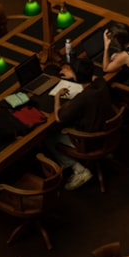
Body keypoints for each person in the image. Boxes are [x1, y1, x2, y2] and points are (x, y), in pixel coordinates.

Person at [47, 58, 116, 190]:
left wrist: (57, 97)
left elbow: (59, 118)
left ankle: (79, 170)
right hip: (107, 133)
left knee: (50, 138)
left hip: (90, 141)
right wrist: (75, 74)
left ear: (78, 77)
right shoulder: (101, 83)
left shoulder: (83, 98)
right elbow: (94, 77)